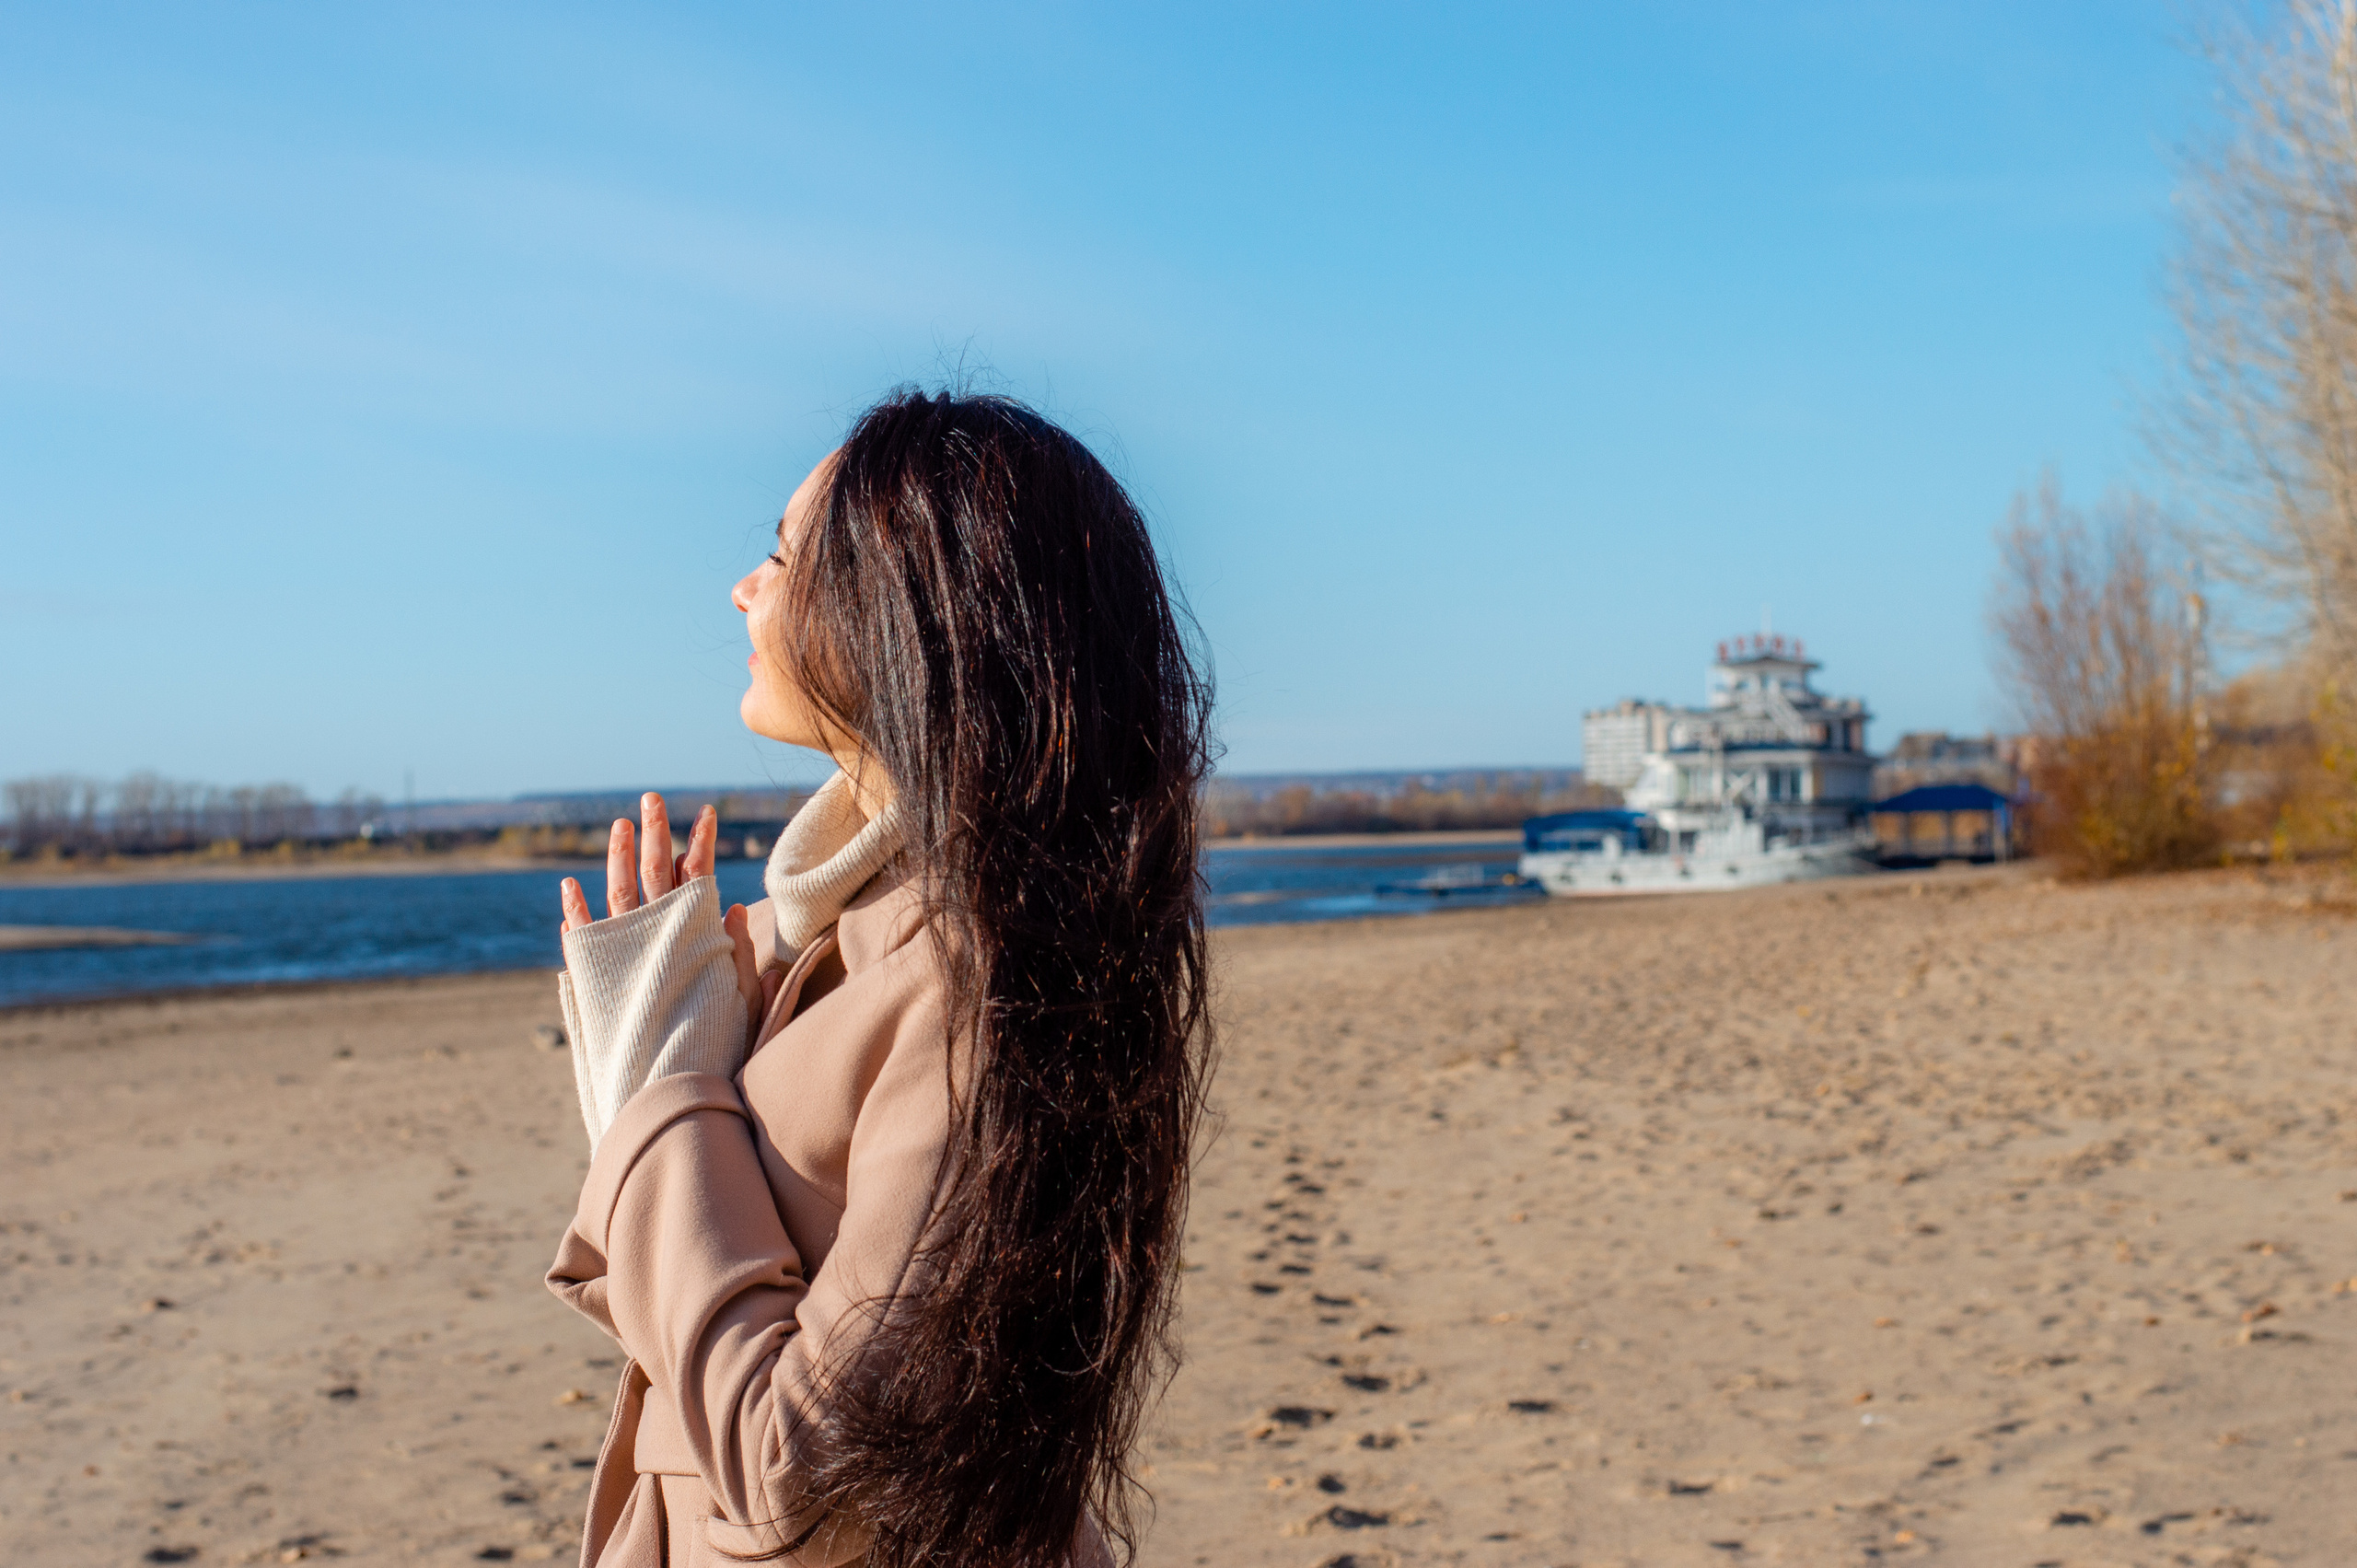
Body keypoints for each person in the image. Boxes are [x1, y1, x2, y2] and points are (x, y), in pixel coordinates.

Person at [543, 389, 1213, 1568]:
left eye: (783, 553)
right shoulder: (836, 939)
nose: (744, 589)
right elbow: (681, 1326)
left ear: (908, 608)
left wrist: (658, 1080)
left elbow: (801, 1476)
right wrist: (700, 1022)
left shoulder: (978, 988)